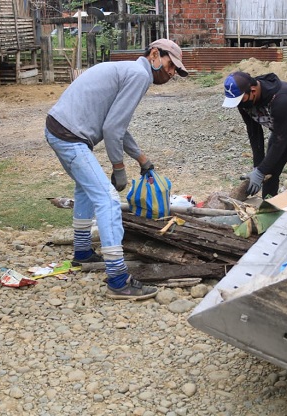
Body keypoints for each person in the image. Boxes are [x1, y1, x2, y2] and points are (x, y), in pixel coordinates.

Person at [45, 38, 188, 300]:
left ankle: (82, 251)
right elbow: (112, 129)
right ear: (154, 54)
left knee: (87, 190)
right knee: (109, 199)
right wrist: (118, 166)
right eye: (170, 66)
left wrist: (141, 158)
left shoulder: (129, 71)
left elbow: (117, 124)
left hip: (60, 129)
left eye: (175, 71)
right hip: (69, 136)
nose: (171, 73)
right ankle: (118, 279)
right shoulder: (139, 75)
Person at [222, 71, 287, 198]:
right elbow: (254, 133)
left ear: (253, 90)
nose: (239, 104)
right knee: (269, 171)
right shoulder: (244, 101)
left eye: (240, 99)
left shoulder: (280, 98)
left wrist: (260, 172)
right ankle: (268, 210)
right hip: (282, 130)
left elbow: (279, 140)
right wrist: (258, 169)